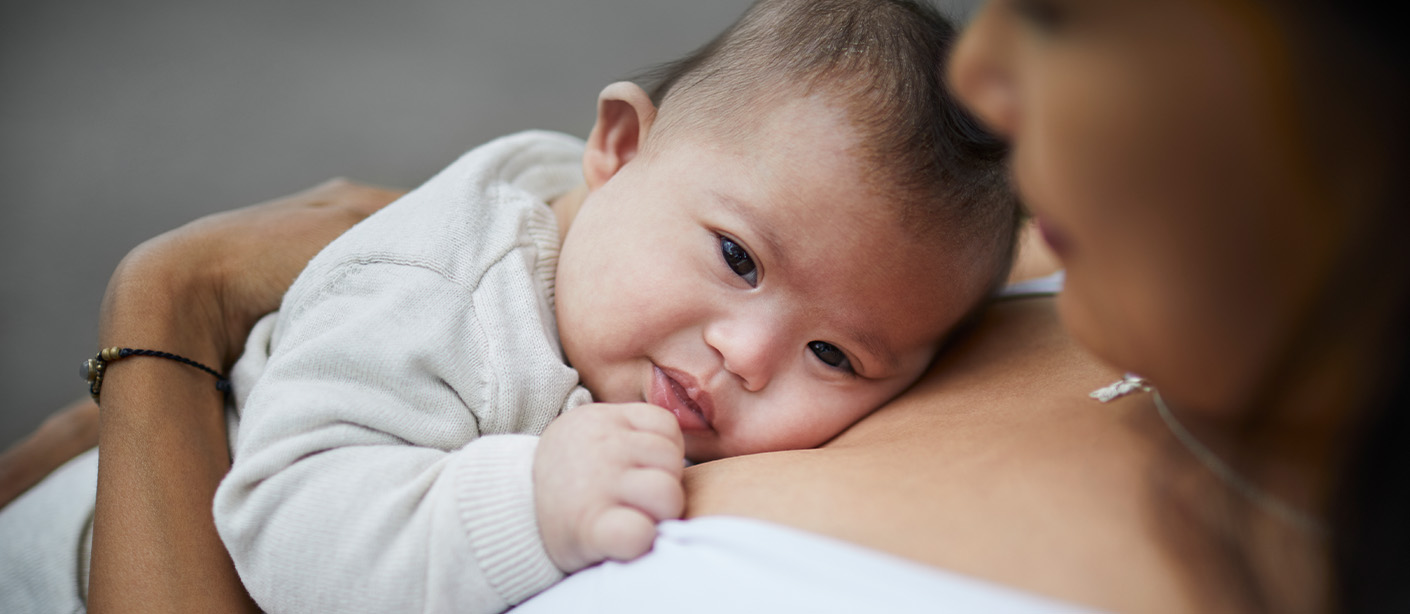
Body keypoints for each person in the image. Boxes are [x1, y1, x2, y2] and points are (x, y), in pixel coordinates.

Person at [8, 0, 1408, 612]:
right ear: (611, 148)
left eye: (836, 353)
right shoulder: (440, 296)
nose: (741, 357)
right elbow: (285, 538)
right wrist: (526, 501)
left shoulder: (908, 244)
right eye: (737, 260)